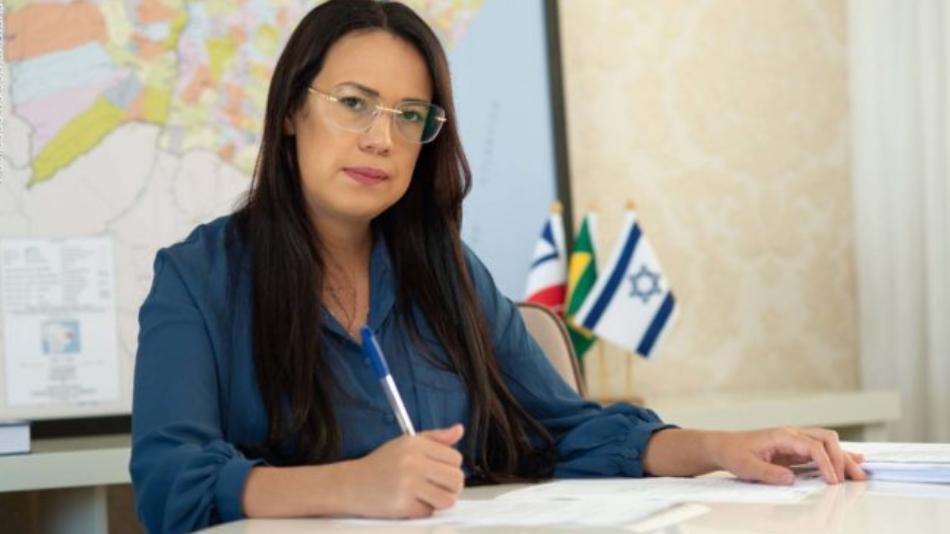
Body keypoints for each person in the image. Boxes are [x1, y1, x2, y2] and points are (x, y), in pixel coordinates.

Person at [129, 1, 866, 532]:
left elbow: (567, 431)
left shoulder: (447, 272)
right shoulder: (197, 279)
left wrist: (718, 448)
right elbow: (170, 485)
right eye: (354, 104)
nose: (381, 139)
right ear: (292, 110)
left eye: (409, 116)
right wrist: (354, 486)